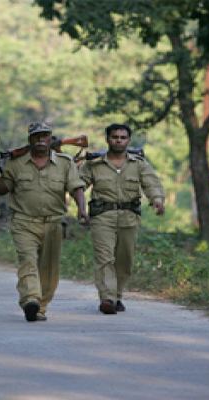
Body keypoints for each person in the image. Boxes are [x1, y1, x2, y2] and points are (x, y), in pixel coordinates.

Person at [0, 121, 87, 322]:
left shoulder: (65, 163)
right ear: (30, 140)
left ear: (50, 139)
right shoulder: (16, 163)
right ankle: (30, 299)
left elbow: (76, 187)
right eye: (36, 136)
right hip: (24, 222)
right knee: (27, 261)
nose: (40, 140)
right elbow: (3, 189)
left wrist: (82, 209)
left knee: (49, 269)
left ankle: (40, 307)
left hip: (53, 222)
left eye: (45, 136)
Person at [80, 123, 165, 314]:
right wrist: (77, 204)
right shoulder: (94, 164)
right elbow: (78, 184)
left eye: (122, 137)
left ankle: (117, 295)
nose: (118, 140)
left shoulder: (138, 164)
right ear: (107, 139)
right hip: (103, 216)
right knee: (105, 258)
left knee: (125, 259)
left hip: (129, 217)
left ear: (128, 140)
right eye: (115, 137)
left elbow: (151, 184)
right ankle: (107, 299)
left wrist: (157, 201)